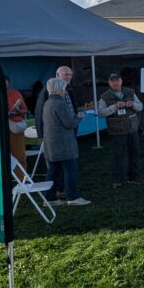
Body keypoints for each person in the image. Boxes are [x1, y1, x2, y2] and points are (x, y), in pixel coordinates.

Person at [42, 78, 89, 206]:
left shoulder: (48, 103)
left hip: (51, 144)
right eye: (64, 88)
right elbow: (69, 123)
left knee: (53, 171)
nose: (65, 91)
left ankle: (49, 198)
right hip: (63, 144)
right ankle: (73, 197)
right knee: (70, 170)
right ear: (60, 89)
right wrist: (78, 118)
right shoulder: (60, 103)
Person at [97, 73, 144, 188]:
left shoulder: (130, 92)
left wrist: (133, 104)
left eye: (117, 80)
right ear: (109, 83)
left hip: (132, 129)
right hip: (117, 131)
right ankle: (117, 180)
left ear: (121, 81)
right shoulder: (105, 96)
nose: (115, 83)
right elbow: (101, 112)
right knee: (118, 156)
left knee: (134, 154)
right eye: (112, 81)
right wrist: (114, 107)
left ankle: (133, 177)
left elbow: (141, 107)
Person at [35, 65, 79, 137]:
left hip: (70, 127)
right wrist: (40, 133)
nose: (69, 77)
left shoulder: (69, 89)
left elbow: (73, 106)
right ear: (57, 75)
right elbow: (39, 112)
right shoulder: (47, 91)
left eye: (71, 75)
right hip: (55, 131)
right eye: (66, 74)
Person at [5, 76, 29, 170]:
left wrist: (17, 111)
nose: (5, 85)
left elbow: (24, 110)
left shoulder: (15, 93)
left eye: (6, 84)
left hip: (15, 126)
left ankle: (22, 178)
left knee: (19, 154)